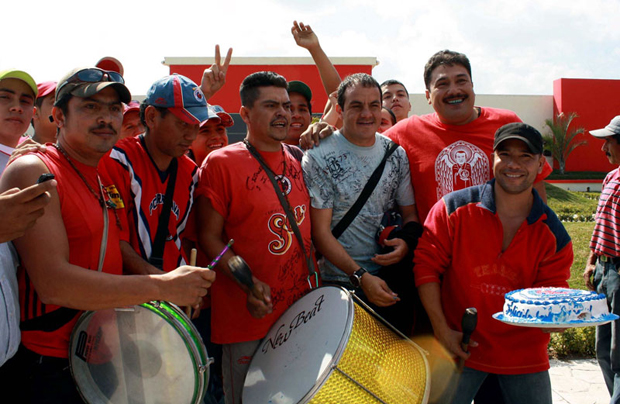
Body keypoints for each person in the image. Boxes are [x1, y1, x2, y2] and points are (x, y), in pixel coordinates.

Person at [0, 67, 215, 402]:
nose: (106, 118)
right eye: (91, 107)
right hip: (48, 365)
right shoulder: (36, 171)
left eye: (114, 109)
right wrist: (162, 286)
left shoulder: (105, 176)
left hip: (101, 358)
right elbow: (52, 284)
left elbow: (117, 249)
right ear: (58, 115)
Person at [414, 122, 573, 404]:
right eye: (506, 154)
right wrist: (441, 329)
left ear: (540, 165)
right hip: (459, 345)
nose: (514, 164)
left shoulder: (554, 234)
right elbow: (426, 267)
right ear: (493, 159)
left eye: (526, 156)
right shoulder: (453, 209)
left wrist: (556, 319)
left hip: (524, 356)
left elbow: (552, 291)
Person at [196, 71, 315, 404]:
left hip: (298, 313)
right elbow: (208, 238)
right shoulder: (220, 163)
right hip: (247, 320)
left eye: (287, 106)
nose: (283, 113)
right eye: (271, 105)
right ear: (245, 114)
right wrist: (248, 283)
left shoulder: (296, 157)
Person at [302, 73, 421, 334]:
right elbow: (320, 233)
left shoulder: (395, 154)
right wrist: (361, 277)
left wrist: (405, 244)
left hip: (390, 281)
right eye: (356, 105)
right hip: (339, 284)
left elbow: (410, 215)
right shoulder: (319, 154)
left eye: (374, 105)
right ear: (340, 110)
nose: (367, 114)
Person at [102, 73, 211, 275]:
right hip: (130, 296)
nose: (192, 136)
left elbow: (187, 240)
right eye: (183, 124)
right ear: (151, 117)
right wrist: (163, 284)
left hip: (172, 297)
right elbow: (114, 241)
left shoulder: (191, 172)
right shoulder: (117, 160)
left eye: (197, 126)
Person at [0, 69, 55, 369]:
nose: (15, 107)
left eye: (24, 100)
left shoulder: (35, 161)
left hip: (12, 344)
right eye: (4, 98)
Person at [584, 115, 620, 403]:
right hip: (604, 272)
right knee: (604, 350)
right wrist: (591, 261)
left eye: (608, 141)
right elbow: (601, 224)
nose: (602, 148)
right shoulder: (611, 177)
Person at [285, 80, 313, 146]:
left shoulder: (324, 149)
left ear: (311, 119)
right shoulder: (260, 152)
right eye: (289, 109)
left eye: (302, 109)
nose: (297, 115)